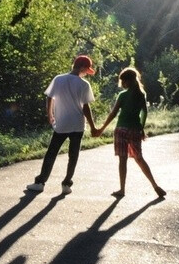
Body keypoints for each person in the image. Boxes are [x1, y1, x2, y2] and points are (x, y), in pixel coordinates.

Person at [26, 55, 99, 195]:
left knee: (51, 153)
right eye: (86, 70)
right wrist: (93, 126)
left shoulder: (58, 79)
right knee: (73, 155)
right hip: (77, 125)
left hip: (62, 123)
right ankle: (66, 184)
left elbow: (49, 98)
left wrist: (50, 115)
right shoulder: (84, 84)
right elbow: (85, 107)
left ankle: (40, 182)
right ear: (82, 67)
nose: (86, 73)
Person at [96, 67, 166, 199]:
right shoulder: (141, 94)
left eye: (124, 81)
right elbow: (144, 112)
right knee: (139, 158)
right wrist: (141, 127)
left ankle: (122, 190)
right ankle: (155, 185)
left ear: (129, 81)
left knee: (123, 160)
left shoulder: (123, 95)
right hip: (134, 130)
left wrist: (102, 128)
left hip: (121, 129)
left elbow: (113, 113)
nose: (122, 84)